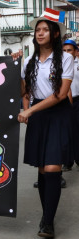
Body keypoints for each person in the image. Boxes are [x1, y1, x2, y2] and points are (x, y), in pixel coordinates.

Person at [17, 8, 74, 238]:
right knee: (42, 168)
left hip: (58, 113)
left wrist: (30, 109)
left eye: (45, 30)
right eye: (37, 30)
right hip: (39, 115)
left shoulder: (66, 58)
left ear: (55, 34)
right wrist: (26, 109)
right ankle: (46, 217)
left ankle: (48, 222)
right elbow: (25, 91)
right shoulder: (29, 60)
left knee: (52, 168)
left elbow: (60, 94)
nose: (40, 33)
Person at [62, 39, 79, 171]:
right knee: (65, 132)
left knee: (77, 131)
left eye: (69, 50)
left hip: (78, 101)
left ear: (75, 52)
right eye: (64, 50)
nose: (66, 53)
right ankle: (67, 161)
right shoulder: (59, 65)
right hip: (63, 101)